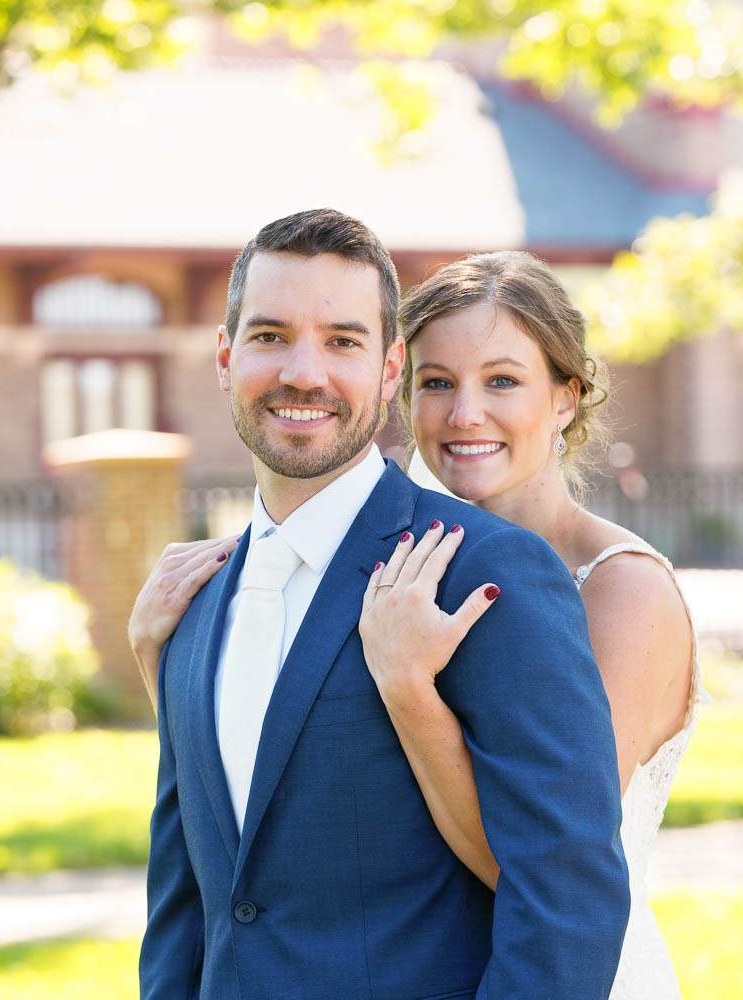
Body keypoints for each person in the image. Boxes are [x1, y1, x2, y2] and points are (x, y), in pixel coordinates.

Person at [129, 209, 629, 1000]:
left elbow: (566, 898)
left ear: (391, 368)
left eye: (342, 341)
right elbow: (184, 899)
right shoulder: (191, 606)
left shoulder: (489, 575)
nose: (304, 372)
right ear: (225, 359)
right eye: (269, 336)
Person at [368, 251, 700, 999]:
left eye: (503, 381)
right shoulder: (405, 575)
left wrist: (408, 689)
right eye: (437, 383)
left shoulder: (623, 593)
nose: (464, 415)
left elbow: (547, 867)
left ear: (566, 397)